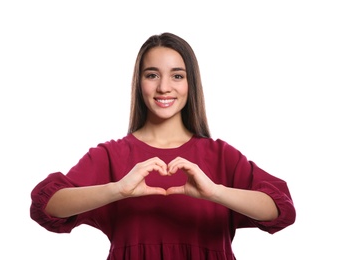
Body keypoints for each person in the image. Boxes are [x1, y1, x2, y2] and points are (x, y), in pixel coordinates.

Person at [30, 32, 296, 259]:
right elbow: (47, 206)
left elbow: (279, 208)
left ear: (191, 83)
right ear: (139, 83)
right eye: (152, 75)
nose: (164, 87)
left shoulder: (221, 155)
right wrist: (118, 189)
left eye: (177, 76)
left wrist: (215, 192)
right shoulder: (111, 155)